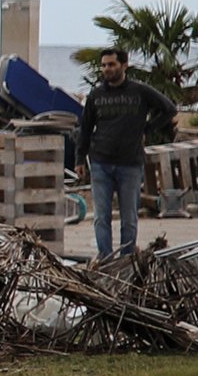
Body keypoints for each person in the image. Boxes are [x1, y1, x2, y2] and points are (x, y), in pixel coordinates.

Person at [74, 49, 176, 260]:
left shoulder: (139, 92)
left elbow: (169, 109)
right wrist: (79, 159)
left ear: (124, 65)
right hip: (101, 163)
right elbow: (85, 129)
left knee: (129, 218)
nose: (107, 69)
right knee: (101, 217)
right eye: (104, 65)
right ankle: (105, 258)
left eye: (111, 65)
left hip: (130, 164)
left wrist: (146, 129)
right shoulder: (96, 96)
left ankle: (127, 259)